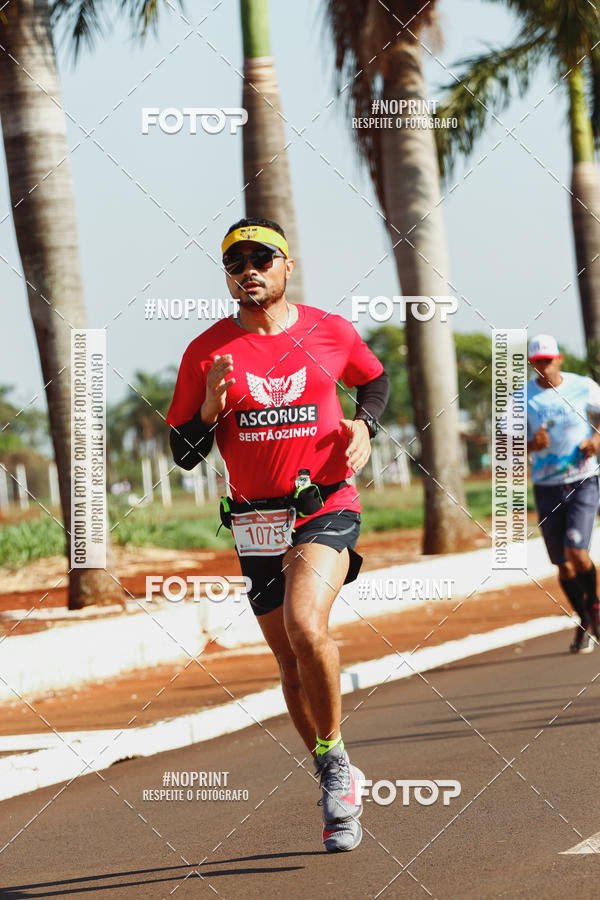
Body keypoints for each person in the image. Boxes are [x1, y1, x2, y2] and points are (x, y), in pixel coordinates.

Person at [167, 217, 390, 851]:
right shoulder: (208, 352)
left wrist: (364, 425)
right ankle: (331, 764)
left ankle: (338, 767)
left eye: (262, 258)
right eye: (237, 263)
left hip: (324, 505)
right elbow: (184, 452)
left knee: (303, 623)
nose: (249, 271)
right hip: (254, 519)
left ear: (287, 265)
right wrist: (210, 409)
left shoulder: (331, 331)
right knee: (288, 660)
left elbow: (374, 378)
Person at [526, 334, 600, 653]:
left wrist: (597, 440)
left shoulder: (583, 386)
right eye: (538, 362)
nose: (544, 367)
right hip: (546, 486)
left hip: (582, 479)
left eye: (548, 360)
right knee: (563, 565)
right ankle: (584, 620)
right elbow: (505, 446)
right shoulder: (521, 399)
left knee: (576, 551)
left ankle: (595, 607)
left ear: (560, 359)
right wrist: (531, 445)